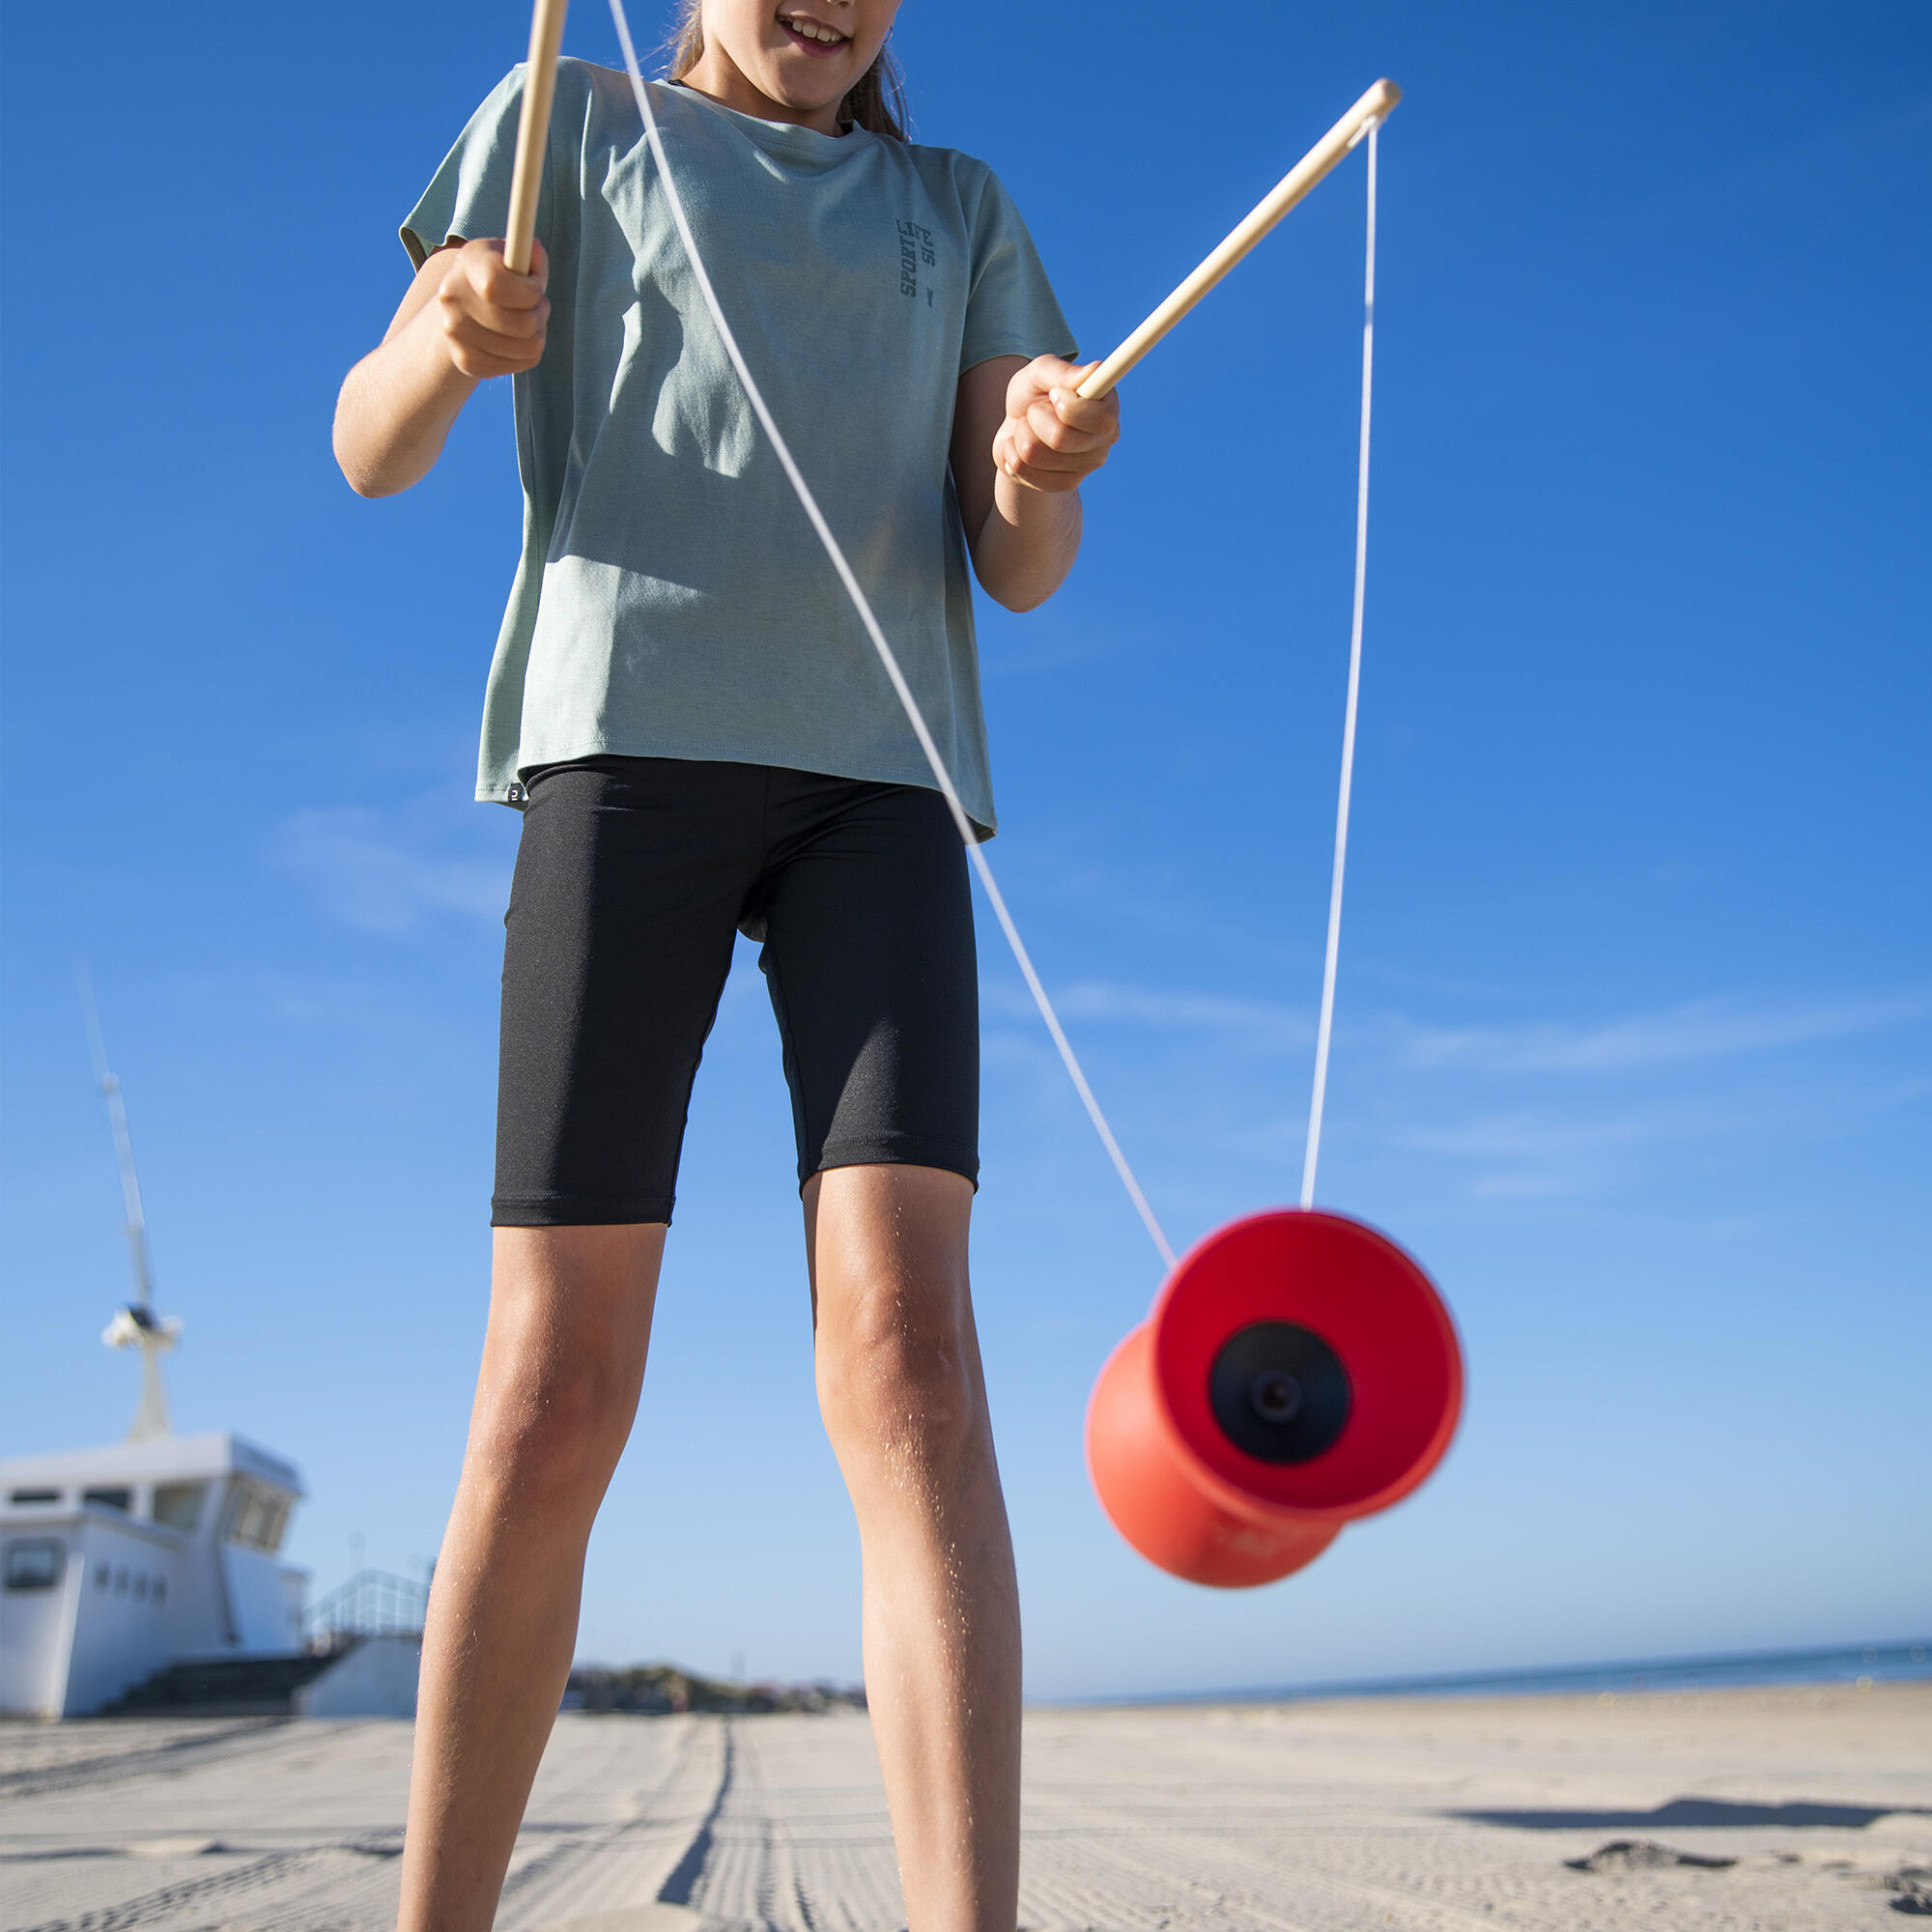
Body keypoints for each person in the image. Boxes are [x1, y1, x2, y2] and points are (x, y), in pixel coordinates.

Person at [333, 3, 1119, 1926]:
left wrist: (1040, 460)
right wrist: (441, 345)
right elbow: (370, 449)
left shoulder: (956, 206)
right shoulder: (560, 124)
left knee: (913, 1359)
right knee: (551, 1384)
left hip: (882, 795)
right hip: (625, 765)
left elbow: (1017, 566)